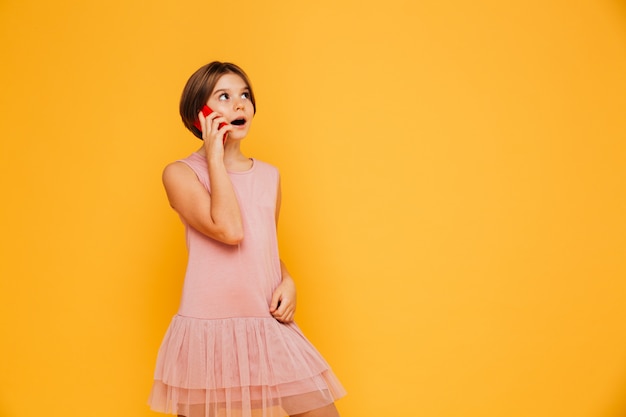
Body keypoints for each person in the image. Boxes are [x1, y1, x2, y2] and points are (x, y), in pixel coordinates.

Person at [148, 61, 346, 417]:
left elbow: (262, 247)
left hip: (265, 321)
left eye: (244, 95)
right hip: (209, 332)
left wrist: (287, 279)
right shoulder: (179, 174)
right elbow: (229, 230)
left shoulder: (270, 176)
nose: (240, 105)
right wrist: (214, 156)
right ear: (199, 114)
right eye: (223, 96)